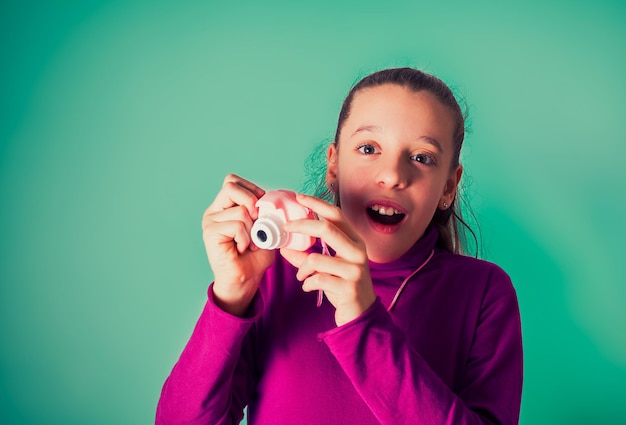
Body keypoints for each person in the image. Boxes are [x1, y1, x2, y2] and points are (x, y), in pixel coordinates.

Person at [156, 68, 523, 425]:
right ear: (334, 166)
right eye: (368, 148)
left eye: (422, 158)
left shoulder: (484, 292)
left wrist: (363, 321)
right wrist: (231, 296)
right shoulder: (274, 273)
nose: (393, 175)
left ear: (448, 186)